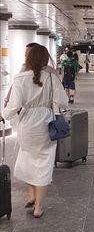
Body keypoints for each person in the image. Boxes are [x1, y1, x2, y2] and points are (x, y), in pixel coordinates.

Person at [1, 45, 68, 218]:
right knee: (43, 163)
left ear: (29, 58)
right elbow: (63, 101)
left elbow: (13, 106)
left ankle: (30, 194)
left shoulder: (19, 78)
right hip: (45, 122)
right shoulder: (51, 77)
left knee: (26, 157)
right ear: (46, 59)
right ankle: (38, 207)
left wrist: (3, 115)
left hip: (26, 123)